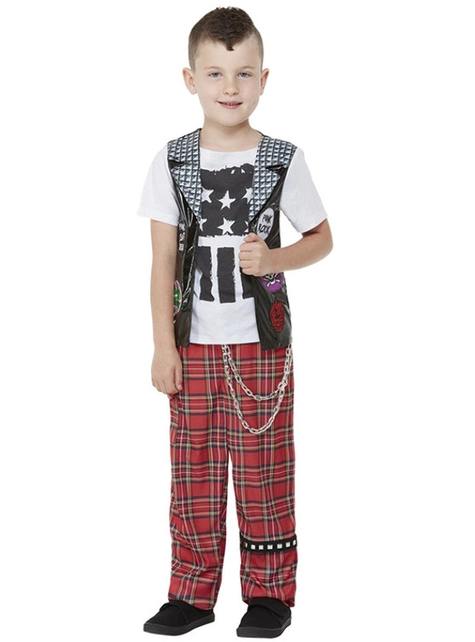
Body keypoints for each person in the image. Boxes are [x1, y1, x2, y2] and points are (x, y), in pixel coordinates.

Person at [137, 7, 333, 638]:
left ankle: (270, 595)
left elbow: (322, 239)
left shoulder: (281, 159)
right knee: (192, 468)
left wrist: (273, 259)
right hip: (192, 343)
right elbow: (163, 260)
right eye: (216, 73)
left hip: (262, 342)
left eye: (244, 73)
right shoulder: (172, 161)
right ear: (190, 79)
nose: (230, 87)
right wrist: (162, 345)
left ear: (263, 79)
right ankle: (191, 594)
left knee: (262, 468)